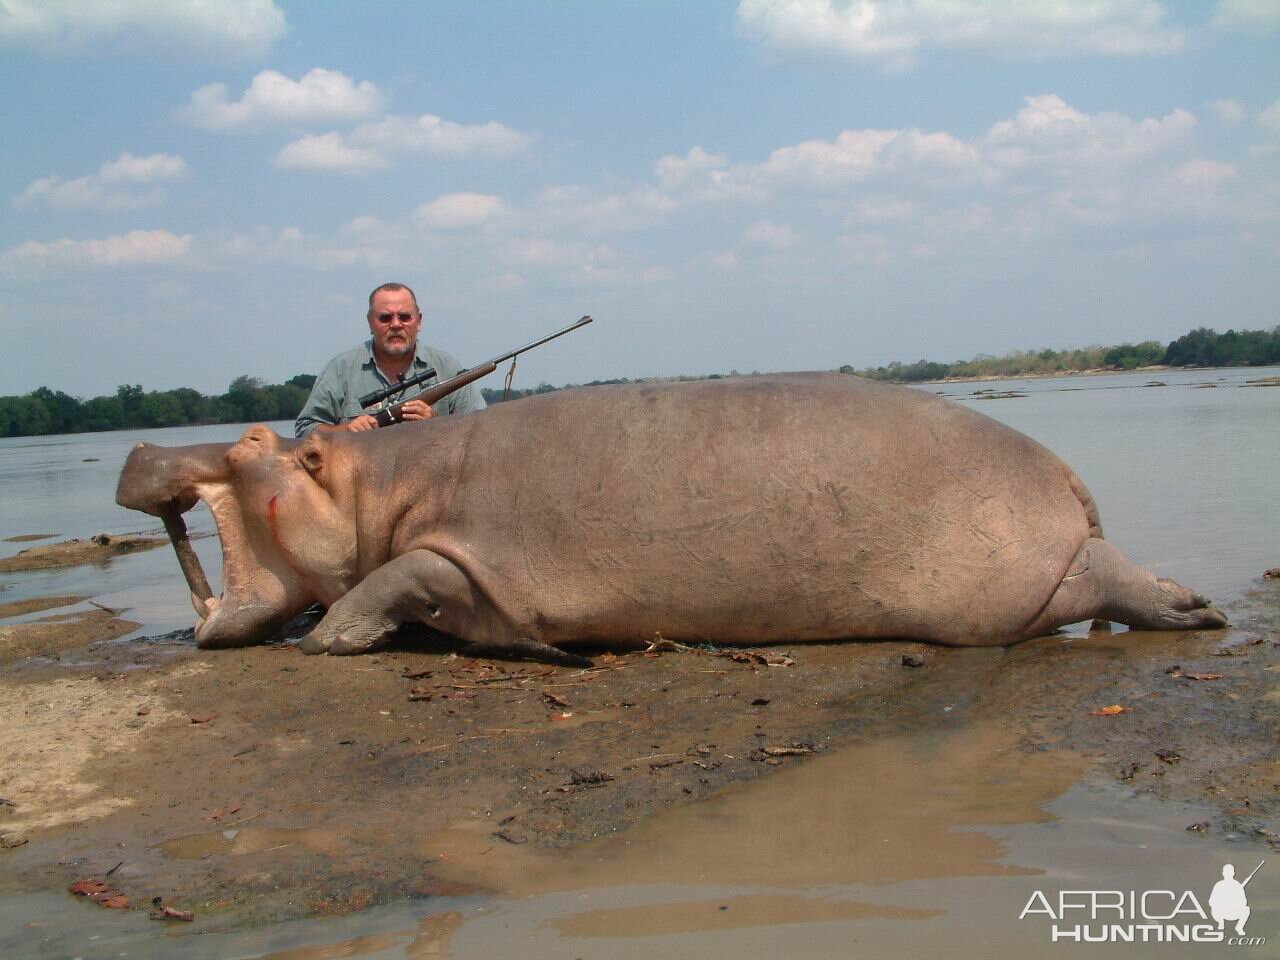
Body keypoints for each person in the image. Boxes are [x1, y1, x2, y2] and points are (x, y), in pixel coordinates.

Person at [295, 282, 486, 437]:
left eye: (405, 317)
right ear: (370, 322)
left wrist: (437, 425)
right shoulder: (341, 368)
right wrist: (346, 431)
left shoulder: (447, 367)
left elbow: (482, 432)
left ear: (418, 321)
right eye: (385, 318)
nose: (396, 324)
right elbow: (305, 429)